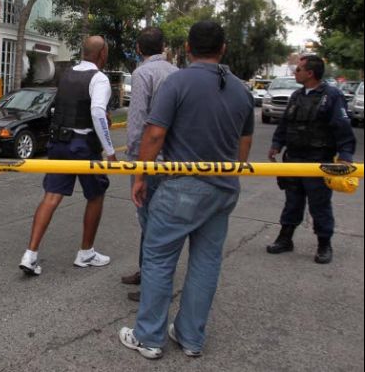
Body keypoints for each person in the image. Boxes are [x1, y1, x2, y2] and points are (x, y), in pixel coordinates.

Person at [118, 20, 254, 359]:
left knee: (158, 258)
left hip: (181, 187)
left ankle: (149, 337)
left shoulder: (178, 82)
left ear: (188, 48)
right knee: (206, 262)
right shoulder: (241, 89)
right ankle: (190, 336)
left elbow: (154, 134)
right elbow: (245, 143)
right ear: (223, 49)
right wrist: (228, 173)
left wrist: (140, 176)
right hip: (223, 189)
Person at [19, 35, 117, 276]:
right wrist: (111, 152)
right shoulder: (99, 78)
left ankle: (30, 255)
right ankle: (86, 253)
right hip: (83, 146)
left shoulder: (67, 74)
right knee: (96, 195)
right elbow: (97, 113)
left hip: (59, 143)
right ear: (103, 53)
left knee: (51, 196)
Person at [266, 54, 355, 264]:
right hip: (294, 159)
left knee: (319, 204)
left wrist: (345, 156)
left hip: (318, 160)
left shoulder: (331, 96)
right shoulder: (297, 95)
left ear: (310, 73)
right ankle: (285, 238)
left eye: (298, 69)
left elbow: (343, 128)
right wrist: (276, 144)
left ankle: (324, 244)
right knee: (292, 201)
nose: (295, 72)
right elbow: (285, 123)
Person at [120, 27, 178, 302]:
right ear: (163, 46)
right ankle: (146, 272)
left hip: (149, 158)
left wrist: (135, 162)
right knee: (159, 221)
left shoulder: (143, 73)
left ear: (139, 49)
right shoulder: (177, 73)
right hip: (173, 159)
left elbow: (138, 120)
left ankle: (152, 285)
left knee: (149, 222)